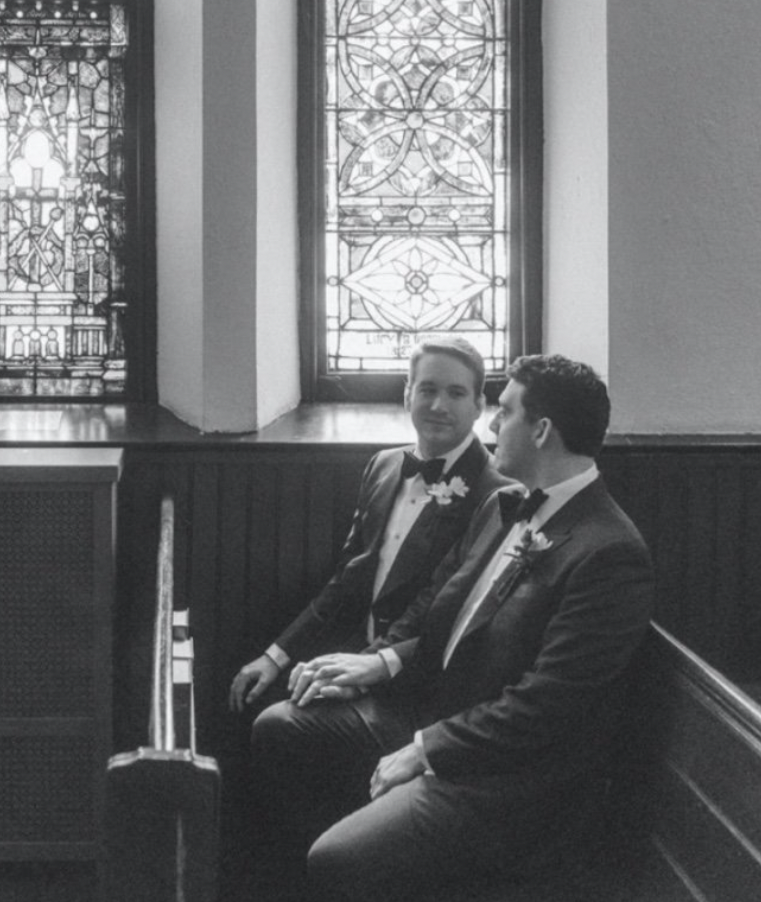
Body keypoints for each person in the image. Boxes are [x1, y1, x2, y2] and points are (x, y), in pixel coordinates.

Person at [251, 354, 655, 901]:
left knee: (337, 859)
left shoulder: (607, 551)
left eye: (504, 412)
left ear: (540, 431)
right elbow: (434, 610)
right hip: (438, 714)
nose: (491, 425)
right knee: (281, 727)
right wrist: (377, 665)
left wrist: (427, 749)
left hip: (508, 779)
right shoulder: (503, 504)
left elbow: (548, 705)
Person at [229, 335, 509, 714]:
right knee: (255, 692)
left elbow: (448, 612)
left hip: (422, 679)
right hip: (358, 648)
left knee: (281, 722)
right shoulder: (384, 465)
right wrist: (277, 655)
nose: (438, 405)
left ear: (479, 405)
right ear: (407, 395)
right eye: (427, 389)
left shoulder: (498, 493)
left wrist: (365, 671)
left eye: (456, 393)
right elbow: (347, 579)